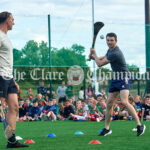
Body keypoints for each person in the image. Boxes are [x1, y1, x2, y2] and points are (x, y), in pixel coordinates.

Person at [89, 32, 145, 136]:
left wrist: (94, 54)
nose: (109, 42)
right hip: (115, 78)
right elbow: (102, 58)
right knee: (109, 103)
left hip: (124, 78)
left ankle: (139, 125)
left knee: (124, 101)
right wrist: (94, 56)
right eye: (108, 40)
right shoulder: (110, 51)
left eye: (111, 40)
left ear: (116, 41)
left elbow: (100, 64)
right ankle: (107, 128)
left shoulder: (116, 53)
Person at [0, 11, 28, 148]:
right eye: (12, 19)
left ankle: (11, 141)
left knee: (14, 107)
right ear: (6, 20)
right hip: (0, 76)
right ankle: (11, 139)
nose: (14, 22)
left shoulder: (6, 37)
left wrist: (13, 80)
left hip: (8, 77)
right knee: (2, 107)